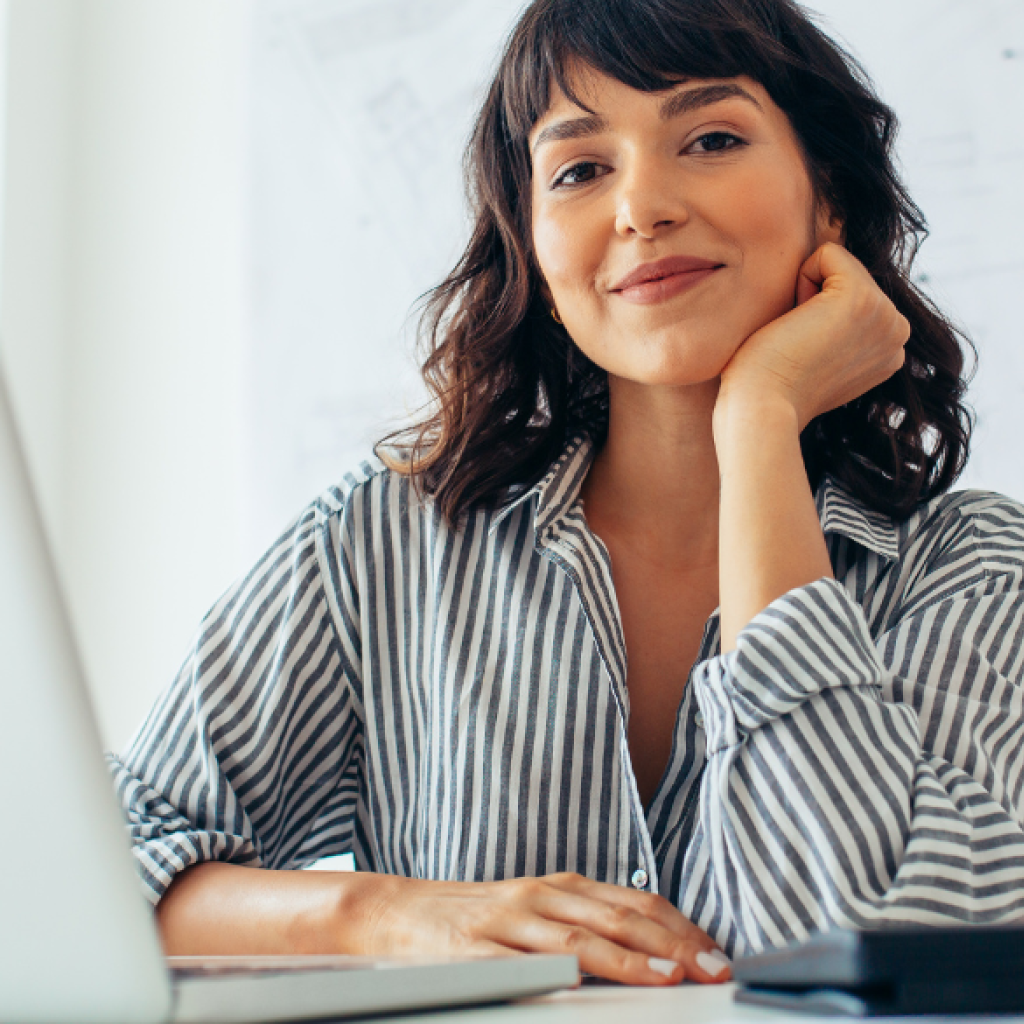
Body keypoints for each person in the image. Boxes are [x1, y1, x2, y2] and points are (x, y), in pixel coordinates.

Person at [110, 0, 1024, 989]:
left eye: (711, 137)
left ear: (829, 198)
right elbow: (98, 869)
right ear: (537, 249)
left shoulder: (969, 569)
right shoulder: (381, 543)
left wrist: (759, 422)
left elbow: (888, 945)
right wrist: (381, 912)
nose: (641, 208)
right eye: (581, 169)